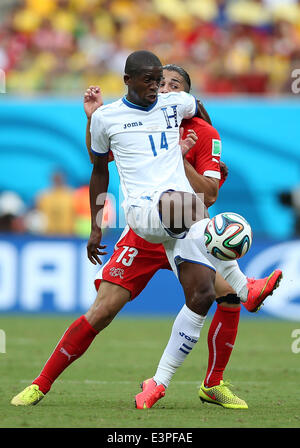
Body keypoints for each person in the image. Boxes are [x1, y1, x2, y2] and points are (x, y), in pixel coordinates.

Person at [11, 51, 282, 409]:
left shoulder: (182, 112)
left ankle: (174, 382)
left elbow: (196, 107)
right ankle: (40, 384)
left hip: (180, 226)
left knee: (204, 295)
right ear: (128, 80)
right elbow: (98, 168)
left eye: (167, 83)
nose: (160, 88)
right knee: (103, 310)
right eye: (154, 81)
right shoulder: (109, 117)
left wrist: (200, 129)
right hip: (143, 218)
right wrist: (96, 225)